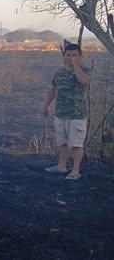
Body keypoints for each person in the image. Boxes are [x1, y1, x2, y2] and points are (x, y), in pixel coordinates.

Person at [43, 42, 91, 180]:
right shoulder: (59, 72)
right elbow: (53, 90)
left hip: (76, 115)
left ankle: (75, 171)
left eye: (74, 55)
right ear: (64, 55)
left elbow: (84, 81)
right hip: (60, 114)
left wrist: (75, 65)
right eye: (68, 55)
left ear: (80, 56)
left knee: (76, 144)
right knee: (62, 142)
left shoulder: (84, 69)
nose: (70, 57)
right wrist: (46, 105)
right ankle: (61, 167)